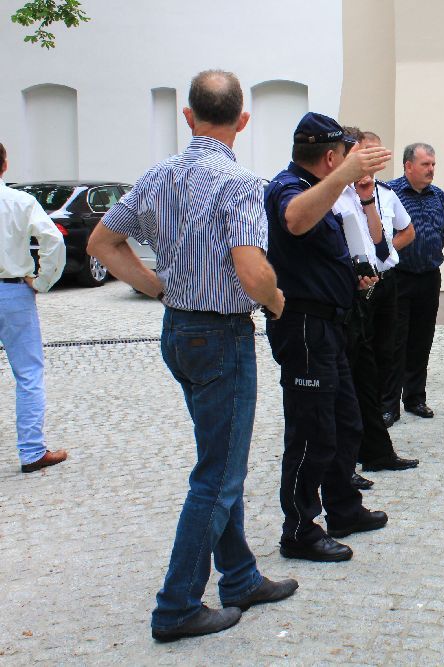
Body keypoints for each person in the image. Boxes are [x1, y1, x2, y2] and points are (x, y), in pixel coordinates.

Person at [88, 70, 297, 641]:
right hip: (222, 335)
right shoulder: (240, 183)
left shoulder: (157, 176)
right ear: (243, 119)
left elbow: (101, 243)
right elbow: (252, 269)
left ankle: (240, 577)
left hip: (179, 331)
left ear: (188, 115)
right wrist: (278, 302)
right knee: (219, 474)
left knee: (217, 456)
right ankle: (177, 605)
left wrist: (156, 286)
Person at [264, 112, 392, 563]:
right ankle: (299, 531)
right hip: (303, 326)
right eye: (347, 158)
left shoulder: (320, 190)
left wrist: (351, 275)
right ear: (333, 157)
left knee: (345, 422)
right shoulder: (288, 186)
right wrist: (346, 176)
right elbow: (295, 220)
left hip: (331, 325)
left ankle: (343, 510)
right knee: (310, 433)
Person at [332, 128, 418, 489]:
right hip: (343, 299)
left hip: (372, 288)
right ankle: (344, 462)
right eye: (363, 154)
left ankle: (377, 450)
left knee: (370, 371)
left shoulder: (362, 195)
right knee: (347, 380)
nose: (369, 162)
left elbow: (380, 247)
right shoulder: (330, 193)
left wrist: (367, 200)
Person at [0, 142, 67, 473]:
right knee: (28, 373)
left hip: (13, 290)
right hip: (12, 290)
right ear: (5, 165)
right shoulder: (20, 202)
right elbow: (53, 240)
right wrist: (42, 281)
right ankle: (31, 451)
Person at [386, 143, 444, 422]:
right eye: (425, 164)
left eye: (433, 164)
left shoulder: (439, 196)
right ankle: (388, 404)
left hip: (428, 277)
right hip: (399, 278)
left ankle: (415, 398)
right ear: (408, 166)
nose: (431, 170)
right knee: (394, 342)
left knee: (421, 340)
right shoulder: (390, 193)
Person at [355, 132, 417, 429]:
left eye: (376, 151)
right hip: (358, 283)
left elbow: (408, 231)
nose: (373, 156)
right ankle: (364, 407)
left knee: (388, 346)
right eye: (367, 150)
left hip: (386, 278)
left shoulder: (387, 194)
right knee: (361, 347)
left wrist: (386, 252)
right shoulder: (344, 192)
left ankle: (387, 407)